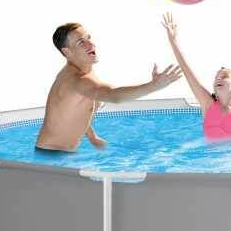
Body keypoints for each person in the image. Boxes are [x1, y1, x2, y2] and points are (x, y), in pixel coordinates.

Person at [35, 22, 182, 152]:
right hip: (51, 156)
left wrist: (92, 137)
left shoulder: (84, 71)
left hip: (57, 153)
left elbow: (76, 111)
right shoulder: (76, 80)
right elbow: (114, 96)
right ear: (67, 52)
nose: (91, 45)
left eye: (89, 38)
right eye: (81, 42)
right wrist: (154, 86)